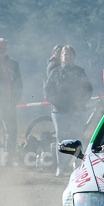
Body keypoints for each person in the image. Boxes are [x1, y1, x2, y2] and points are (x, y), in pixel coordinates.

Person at [44, 46, 92, 175]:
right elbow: (47, 90)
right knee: (61, 139)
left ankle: (78, 166)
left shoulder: (80, 72)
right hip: (59, 111)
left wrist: (81, 102)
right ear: (61, 57)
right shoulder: (55, 72)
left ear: (74, 57)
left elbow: (88, 89)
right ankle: (61, 167)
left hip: (78, 111)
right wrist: (58, 103)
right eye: (65, 54)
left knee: (77, 137)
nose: (67, 57)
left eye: (70, 54)